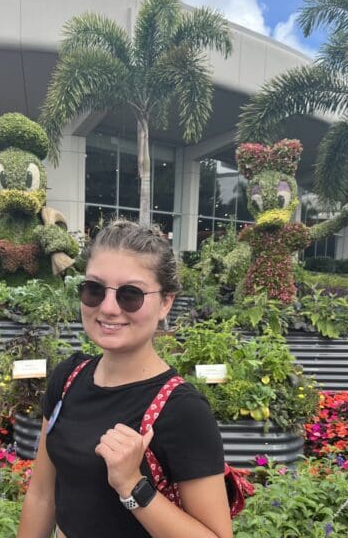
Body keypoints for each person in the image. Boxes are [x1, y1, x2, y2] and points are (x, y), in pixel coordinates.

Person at [17, 220, 233, 538]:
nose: (107, 308)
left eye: (130, 295)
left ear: (166, 302)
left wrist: (133, 486)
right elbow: (41, 495)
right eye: (94, 289)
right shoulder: (68, 379)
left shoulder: (182, 410)